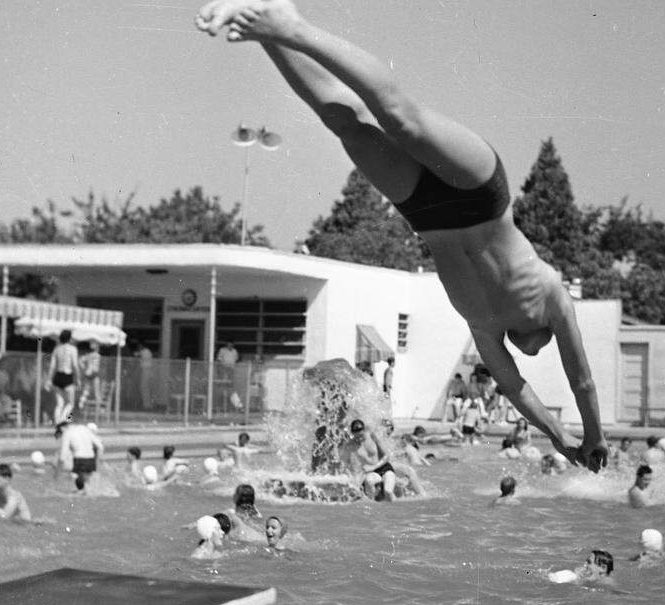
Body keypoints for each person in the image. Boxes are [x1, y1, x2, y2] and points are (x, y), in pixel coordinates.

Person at [196, 0, 608, 470]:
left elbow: (514, 388)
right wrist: (592, 435)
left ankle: (268, 28)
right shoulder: (552, 294)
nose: (532, 353)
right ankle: (293, 28)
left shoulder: (487, 329)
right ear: (543, 333)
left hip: (426, 212)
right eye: (541, 348)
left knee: (345, 125)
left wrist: (560, 438)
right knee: (399, 117)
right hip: (479, 193)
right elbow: (583, 381)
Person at [342, 419, 399, 501]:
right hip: (372, 473)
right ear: (352, 434)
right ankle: (372, 506)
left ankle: (397, 510)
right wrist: (354, 483)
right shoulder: (350, 445)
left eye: (361, 436)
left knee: (388, 491)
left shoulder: (372, 436)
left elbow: (387, 456)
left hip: (384, 467)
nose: (359, 439)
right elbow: (349, 466)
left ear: (364, 430)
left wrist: (373, 466)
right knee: (369, 481)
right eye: (357, 437)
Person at [56, 421, 104, 491]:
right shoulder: (84, 429)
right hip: (91, 459)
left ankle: (81, 491)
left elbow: (63, 455)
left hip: (79, 459)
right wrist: (97, 461)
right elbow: (100, 447)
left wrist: (57, 472)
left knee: (77, 481)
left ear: (63, 428)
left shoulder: (67, 433)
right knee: (88, 482)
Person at [47, 330, 80, 425]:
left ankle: (57, 422)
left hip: (57, 376)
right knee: (70, 403)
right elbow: (75, 365)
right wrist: (78, 379)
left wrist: (49, 380)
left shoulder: (57, 349)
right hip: (68, 376)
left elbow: (52, 366)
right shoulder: (73, 349)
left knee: (59, 403)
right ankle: (62, 420)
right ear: (69, 338)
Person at [77, 340, 102, 412]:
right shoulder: (97, 355)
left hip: (88, 374)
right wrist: (84, 367)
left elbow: (80, 360)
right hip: (94, 374)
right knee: (96, 391)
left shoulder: (88, 355)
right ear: (97, 348)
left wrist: (84, 368)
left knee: (86, 390)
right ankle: (99, 408)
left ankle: (81, 403)